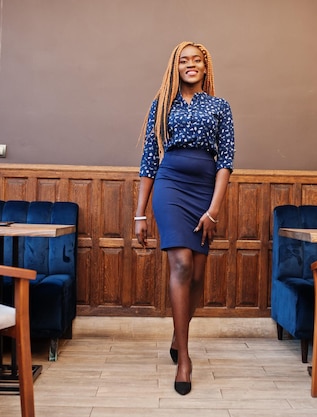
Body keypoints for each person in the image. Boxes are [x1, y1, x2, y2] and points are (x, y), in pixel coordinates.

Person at [135, 41, 235, 395]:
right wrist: (139, 213)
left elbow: (226, 162)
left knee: (197, 277)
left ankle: (178, 334)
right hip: (171, 185)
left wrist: (214, 210)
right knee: (180, 264)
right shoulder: (161, 105)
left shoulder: (221, 107)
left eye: (196, 61)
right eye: (183, 60)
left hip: (205, 191)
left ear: (205, 68)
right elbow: (149, 160)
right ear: (175, 67)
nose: (190, 65)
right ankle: (185, 359)